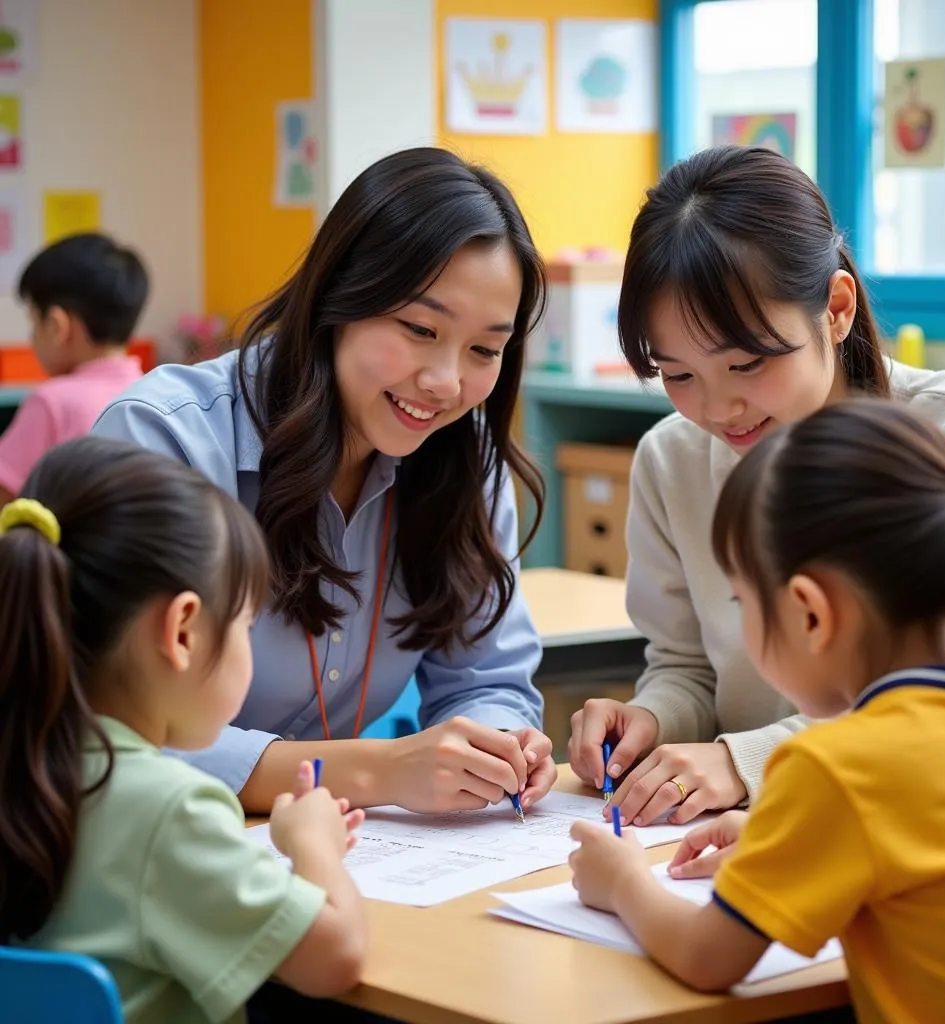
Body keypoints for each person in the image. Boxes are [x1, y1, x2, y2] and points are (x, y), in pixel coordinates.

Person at [567, 144, 945, 825]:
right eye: (678, 375)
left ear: (836, 309)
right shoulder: (673, 459)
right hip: (754, 834)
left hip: (932, 832)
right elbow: (687, 666)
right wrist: (649, 718)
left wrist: (749, 761)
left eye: (747, 363)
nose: (718, 410)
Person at [94, 147, 557, 814]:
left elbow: (487, 679)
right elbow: (108, 736)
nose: (447, 382)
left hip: (323, 854)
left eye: (485, 349)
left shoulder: (462, 457)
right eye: (420, 329)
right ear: (338, 298)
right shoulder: (162, 441)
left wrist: (500, 746)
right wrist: (369, 771)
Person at [568, 400, 945, 1020]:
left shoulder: (834, 766)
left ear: (810, 613)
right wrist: (778, 835)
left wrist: (622, 881)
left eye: (741, 600)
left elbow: (708, 959)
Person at [0, 437, 367, 1022]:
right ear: (183, 631)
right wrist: (314, 844)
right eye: (246, 623)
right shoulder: (168, 810)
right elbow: (336, 958)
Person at [0, 233, 147, 504]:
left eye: (34, 322)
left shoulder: (53, 402)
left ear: (57, 326)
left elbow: (4, 495)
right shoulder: (151, 392)